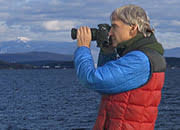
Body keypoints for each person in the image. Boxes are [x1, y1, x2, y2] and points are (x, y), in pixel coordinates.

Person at [74, 4, 166, 130]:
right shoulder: (136, 56)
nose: (110, 32)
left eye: (115, 26)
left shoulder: (139, 60)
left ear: (133, 28)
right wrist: (107, 52)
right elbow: (108, 85)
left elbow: (92, 79)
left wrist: (83, 48)